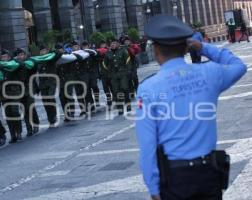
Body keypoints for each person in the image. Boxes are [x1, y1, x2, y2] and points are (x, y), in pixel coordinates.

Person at [136, 14, 247, 200]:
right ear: (186, 47)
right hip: (208, 173)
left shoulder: (148, 88)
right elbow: (238, 66)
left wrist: (153, 188)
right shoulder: (209, 73)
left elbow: (148, 145)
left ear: (155, 50)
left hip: (174, 178)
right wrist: (204, 48)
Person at [14, 48, 39, 137]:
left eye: (22, 54)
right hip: (20, 90)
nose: (21, 56)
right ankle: (29, 129)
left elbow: (34, 68)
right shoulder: (15, 65)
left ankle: (36, 124)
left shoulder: (29, 62)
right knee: (24, 109)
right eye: (19, 55)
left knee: (30, 107)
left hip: (30, 88)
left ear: (25, 55)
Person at [0, 49, 22, 143]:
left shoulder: (14, 65)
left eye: (6, 57)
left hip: (14, 92)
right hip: (4, 94)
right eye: (2, 57)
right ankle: (13, 135)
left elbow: (20, 65)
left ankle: (19, 132)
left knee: (15, 111)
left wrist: (14, 59)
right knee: (8, 114)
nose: (4, 59)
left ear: (9, 57)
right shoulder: (0, 67)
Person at [35, 44, 62, 126]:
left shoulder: (51, 58)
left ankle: (54, 116)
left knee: (51, 98)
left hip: (51, 82)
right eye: (41, 51)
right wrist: (37, 87)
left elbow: (59, 54)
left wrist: (52, 51)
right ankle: (50, 119)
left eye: (44, 50)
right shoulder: (39, 61)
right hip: (43, 84)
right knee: (45, 102)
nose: (43, 52)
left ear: (47, 51)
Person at [104, 39, 131, 115]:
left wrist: (128, 70)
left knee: (124, 88)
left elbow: (128, 60)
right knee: (116, 91)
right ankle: (120, 108)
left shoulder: (122, 51)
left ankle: (128, 105)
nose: (113, 45)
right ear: (110, 45)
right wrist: (108, 73)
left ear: (117, 44)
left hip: (122, 72)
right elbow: (104, 64)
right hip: (113, 75)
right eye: (112, 43)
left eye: (114, 43)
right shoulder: (108, 53)